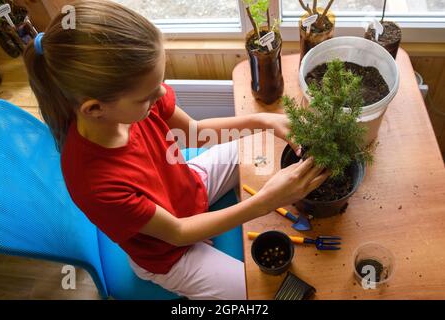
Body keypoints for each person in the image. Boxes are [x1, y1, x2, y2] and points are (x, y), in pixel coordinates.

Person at [23, 0, 329, 300]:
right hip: (168, 252)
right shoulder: (93, 182)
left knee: (255, 147)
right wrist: (266, 202)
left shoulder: (135, 101)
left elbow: (196, 132)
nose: (160, 95)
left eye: (160, 83)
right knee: (259, 295)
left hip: (187, 187)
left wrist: (262, 120)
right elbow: (178, 233)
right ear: (94, 108)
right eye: (148, 96)